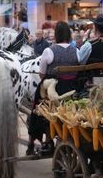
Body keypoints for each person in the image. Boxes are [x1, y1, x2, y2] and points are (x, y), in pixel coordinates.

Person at [28, 22, 79, 154]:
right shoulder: (76, 50)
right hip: (73, 89)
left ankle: (42, 138)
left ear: (56, 35)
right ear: (69, 34)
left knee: (36, 108)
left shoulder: (49, 51)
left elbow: (42, 74)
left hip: (54, 90)